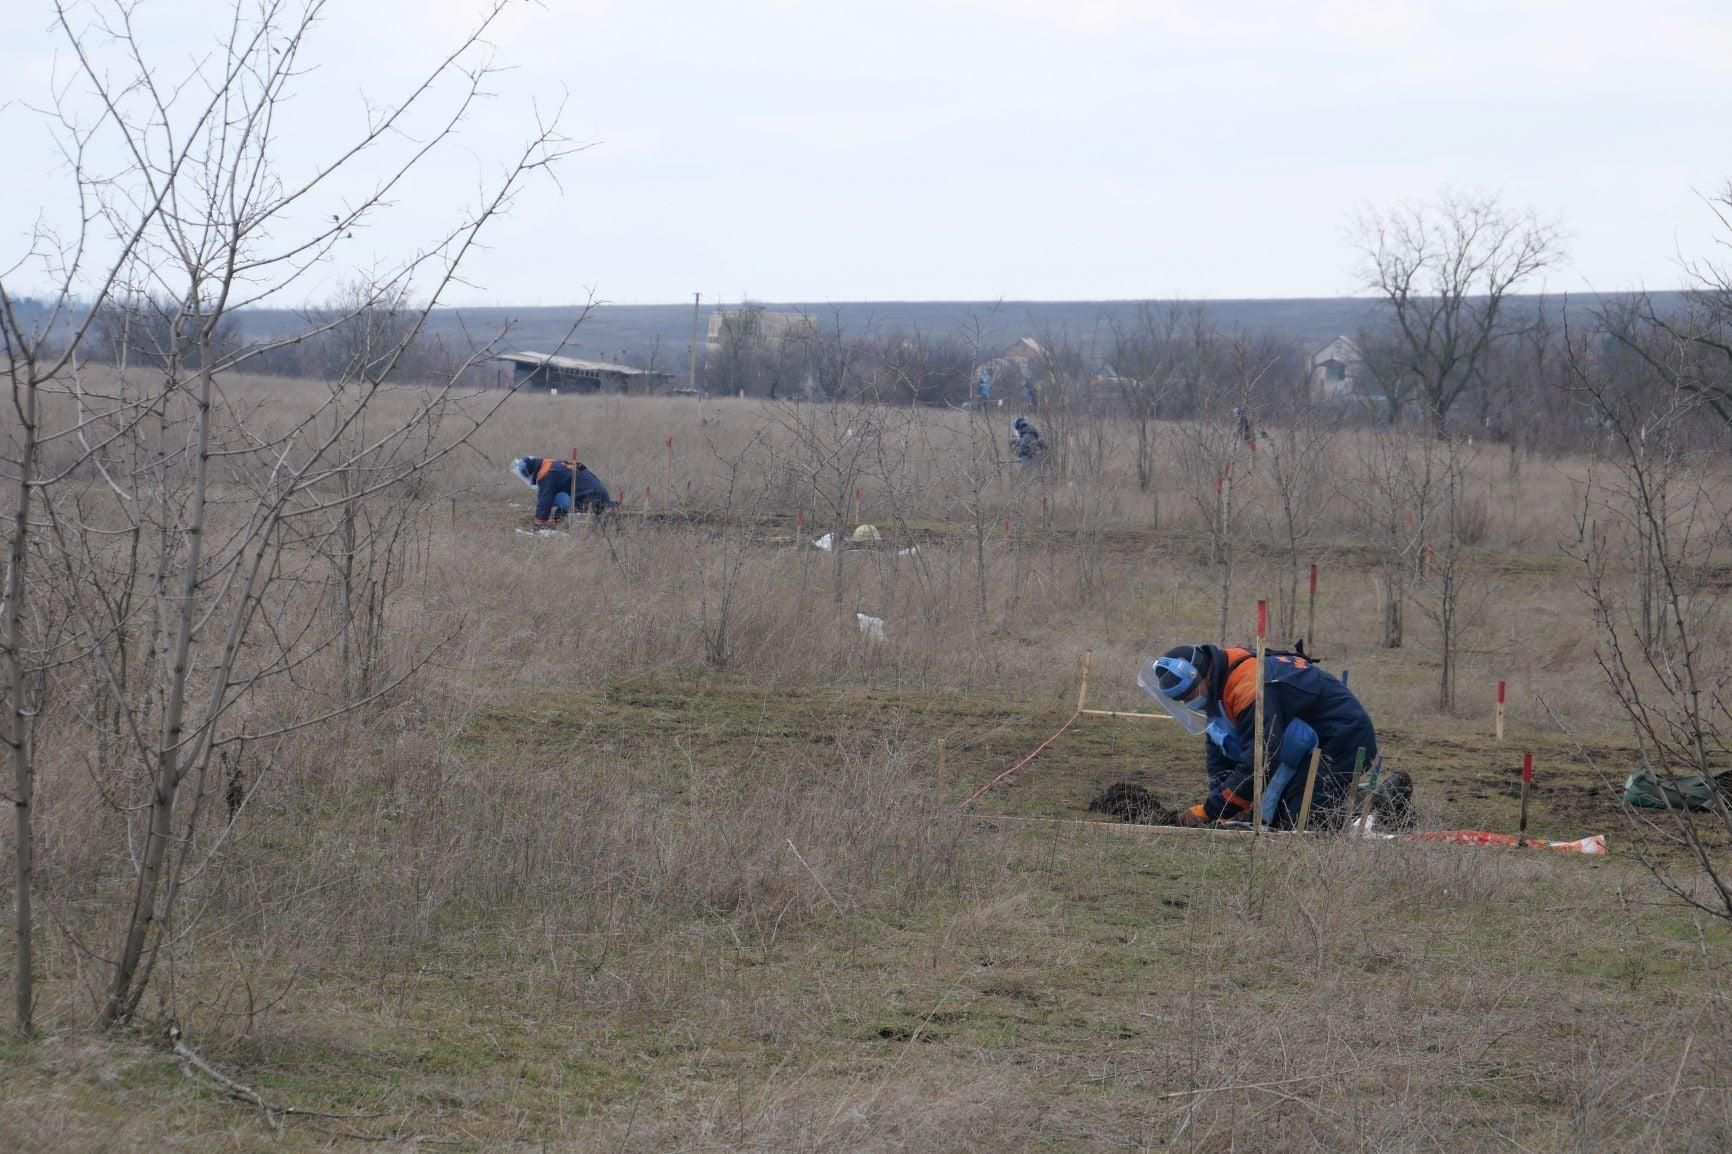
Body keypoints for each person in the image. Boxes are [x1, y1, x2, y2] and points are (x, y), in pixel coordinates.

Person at [1138, 642, 1377, 830]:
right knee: (1273, 817)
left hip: (1342, 737)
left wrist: (1211, 811)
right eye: (1182, 700)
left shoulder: (1247, 688)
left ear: (1202, 675)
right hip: (1300, 744)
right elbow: (1220, 749)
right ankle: (1346, 798)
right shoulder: (1218, 685)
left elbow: (1261, 757)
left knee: (1303, 826)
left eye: (1189, 695)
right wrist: (1224, 802)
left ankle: (1379, 800)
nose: (1189, 703)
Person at [509, 455, 614, 526]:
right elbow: (564, 498)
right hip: (599, 498)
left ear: (530, 472)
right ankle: (558, 520)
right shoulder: (552, 465)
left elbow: (545, 502)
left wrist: (539, 524)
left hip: (593, 502)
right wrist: (557, 518)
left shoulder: (547, 474)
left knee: (549, 502)